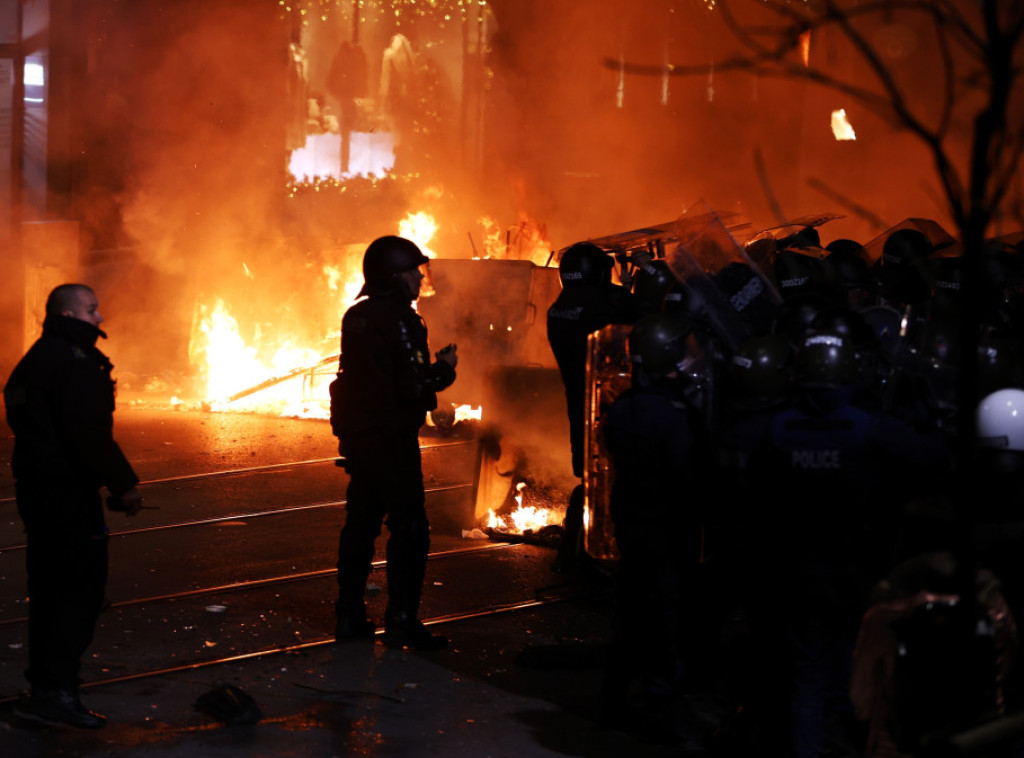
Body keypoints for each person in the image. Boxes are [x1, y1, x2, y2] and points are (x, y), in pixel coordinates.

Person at [4, 283, 143, 729]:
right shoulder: (72, 362)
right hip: (67, 497)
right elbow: (88, 433)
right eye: (92, 309)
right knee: (77, 593)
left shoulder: (36, 359)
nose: (99, 318)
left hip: (40, 493)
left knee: (48, 592)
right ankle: (56, 693)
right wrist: (124, 485)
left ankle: (45, 688)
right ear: (68, 313)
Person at [330, 235, 456, 650]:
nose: (419, 278)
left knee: (360, 526)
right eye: (411, 271)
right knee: (410, 528)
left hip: (360, 439)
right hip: (392, 439)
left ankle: (348, 615)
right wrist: (444, 370)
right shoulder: (403, 320)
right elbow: (413, 383)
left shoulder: (356, 317)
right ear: (393, 276)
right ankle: (401, 620)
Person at [600, 312, 715, 748]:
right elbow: (690, 472)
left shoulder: (625, 407)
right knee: (668, 617)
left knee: (629, 615)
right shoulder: (676, 411)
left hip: (632, 523)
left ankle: (612, 700)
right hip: (670, 527)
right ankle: (662, 707)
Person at [546, 241, 642, 574]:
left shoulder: (557, 309)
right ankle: (602, 560)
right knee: (614, 480)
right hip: (610, 406)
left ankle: (572, 558)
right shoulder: (602, 309)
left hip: (580, 406)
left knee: (588, 477)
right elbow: (642, 316)